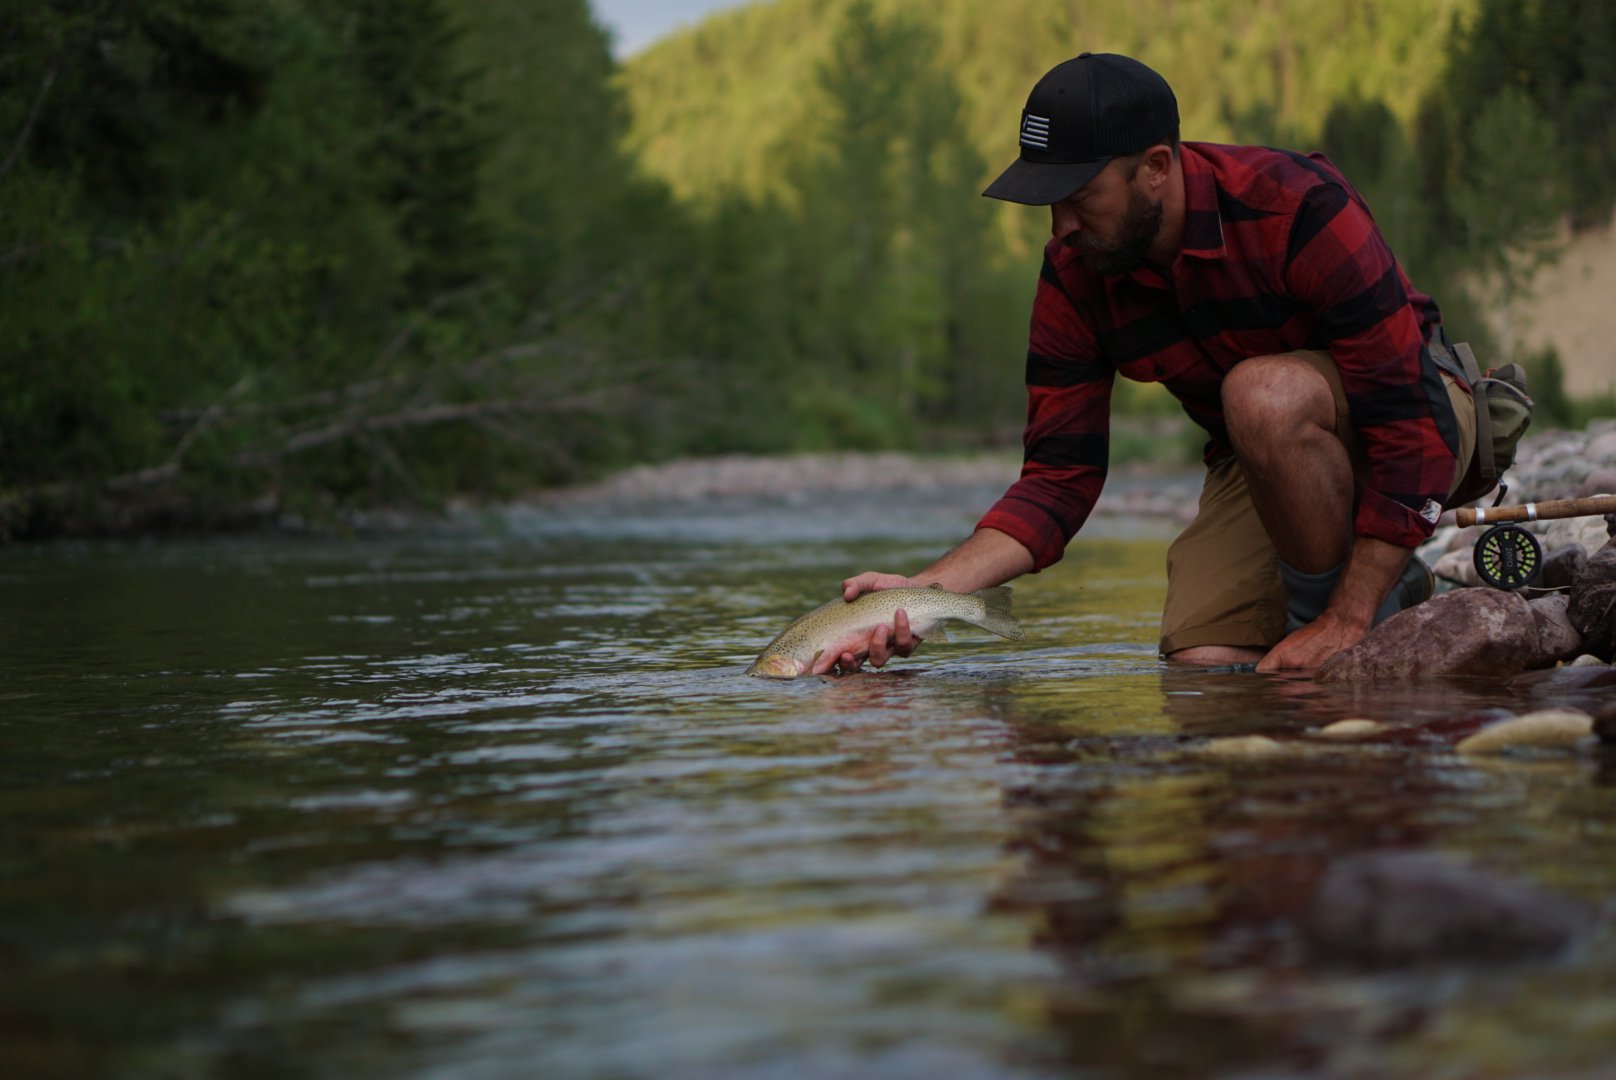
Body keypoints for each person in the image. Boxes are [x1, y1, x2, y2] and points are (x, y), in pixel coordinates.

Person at [815, 52, 1477, 676]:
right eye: (1048, 203)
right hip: (1267, 455)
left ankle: (1359, 617)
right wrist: (920, 594)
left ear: (1156, 167)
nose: (1060, 227)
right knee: (1205, 666)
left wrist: (1345, 617)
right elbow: (1057, 481)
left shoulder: (1296, 207)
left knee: (1261, 393)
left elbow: (1410, 427)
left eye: (1077, 196)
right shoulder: (1077, 274)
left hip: (1426, 408)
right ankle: (1377, 593)